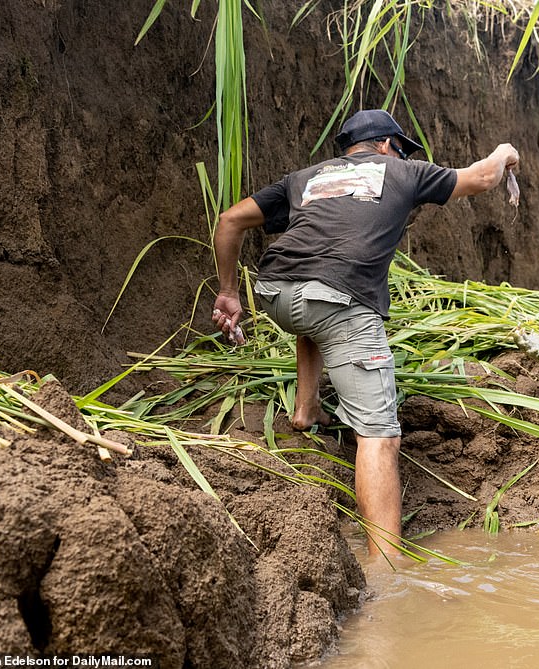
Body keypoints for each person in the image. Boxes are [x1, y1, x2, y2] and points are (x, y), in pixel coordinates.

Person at [211, 109, 520, 558]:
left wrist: (227, 292)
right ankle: (387, 566)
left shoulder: (304, 178)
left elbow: (229, 221)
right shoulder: (403, 171)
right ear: (384, 145)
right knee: (379, 435)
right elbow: (481, 178)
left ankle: (306, 409)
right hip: (339, 301)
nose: (400, 154)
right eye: (398, 147)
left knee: (317, 309)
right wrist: (506, 151)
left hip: (275, 292)